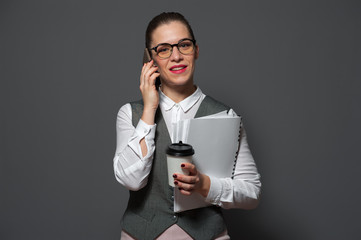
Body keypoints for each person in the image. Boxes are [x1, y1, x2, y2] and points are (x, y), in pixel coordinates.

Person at [113, 12, 261, 240]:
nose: (176, 56)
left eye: (184, 45)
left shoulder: (225, 115)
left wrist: (205, 185)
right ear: (149, 59)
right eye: (163, 49)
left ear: (196, 50)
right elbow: (132, 181)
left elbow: (251, 193)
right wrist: (149, 109)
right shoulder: (130, 114)